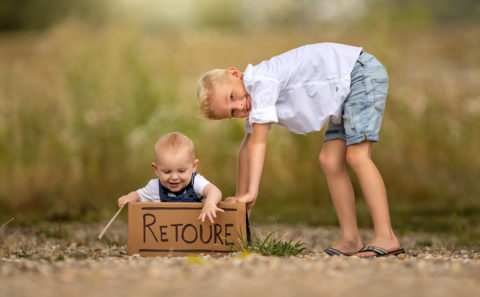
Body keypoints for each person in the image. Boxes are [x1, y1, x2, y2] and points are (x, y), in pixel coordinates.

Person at [195, 42, 404, 258]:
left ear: (235, 74)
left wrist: (252, 192)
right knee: (330, 160)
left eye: (232, 97)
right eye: (231, 112)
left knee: (357, 156)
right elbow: (246, 148)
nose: (239, 107)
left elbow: (259, 143)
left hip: (358, 74)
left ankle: (386, 236)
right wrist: (241, 199)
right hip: (343, 91)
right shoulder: (253, 101)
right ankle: (351, 240)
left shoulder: (260, 82)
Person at [117, 132, 224, 223]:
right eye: (167, 172)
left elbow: (214, 191)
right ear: (156, 169)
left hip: (195, 234)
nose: (174, 177)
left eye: (181, 171)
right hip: (167, 238)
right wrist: (130, 197)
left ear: (193, 166)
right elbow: (138, 195)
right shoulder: (154, 187)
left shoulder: (196, 181)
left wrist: (210, 203)